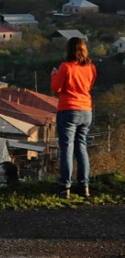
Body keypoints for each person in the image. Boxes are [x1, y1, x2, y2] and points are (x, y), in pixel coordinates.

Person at [51, 36, 96, 198]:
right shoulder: (91, 67)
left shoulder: (65, 67)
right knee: (81, 148)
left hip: (69, 109)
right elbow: (89, 86)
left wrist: (54, 75)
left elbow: (56, 88)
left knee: (67, 149)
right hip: (86, 110)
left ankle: (65, 187)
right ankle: (84, 186)